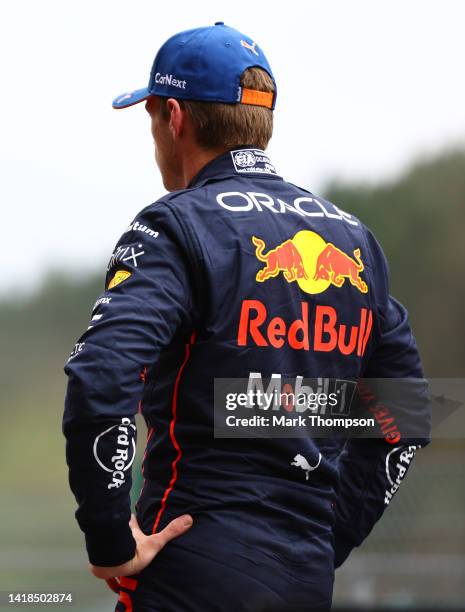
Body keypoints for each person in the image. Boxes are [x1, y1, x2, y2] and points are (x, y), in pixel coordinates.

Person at [63, 23, 431, 612]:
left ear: (174, 117)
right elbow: (405, 416)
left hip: (187, 571)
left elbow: (101, 376)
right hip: (304, 582)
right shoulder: (354, 242)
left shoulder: (176, 226)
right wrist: (319, 542)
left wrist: (109, 538)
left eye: (151, 119)